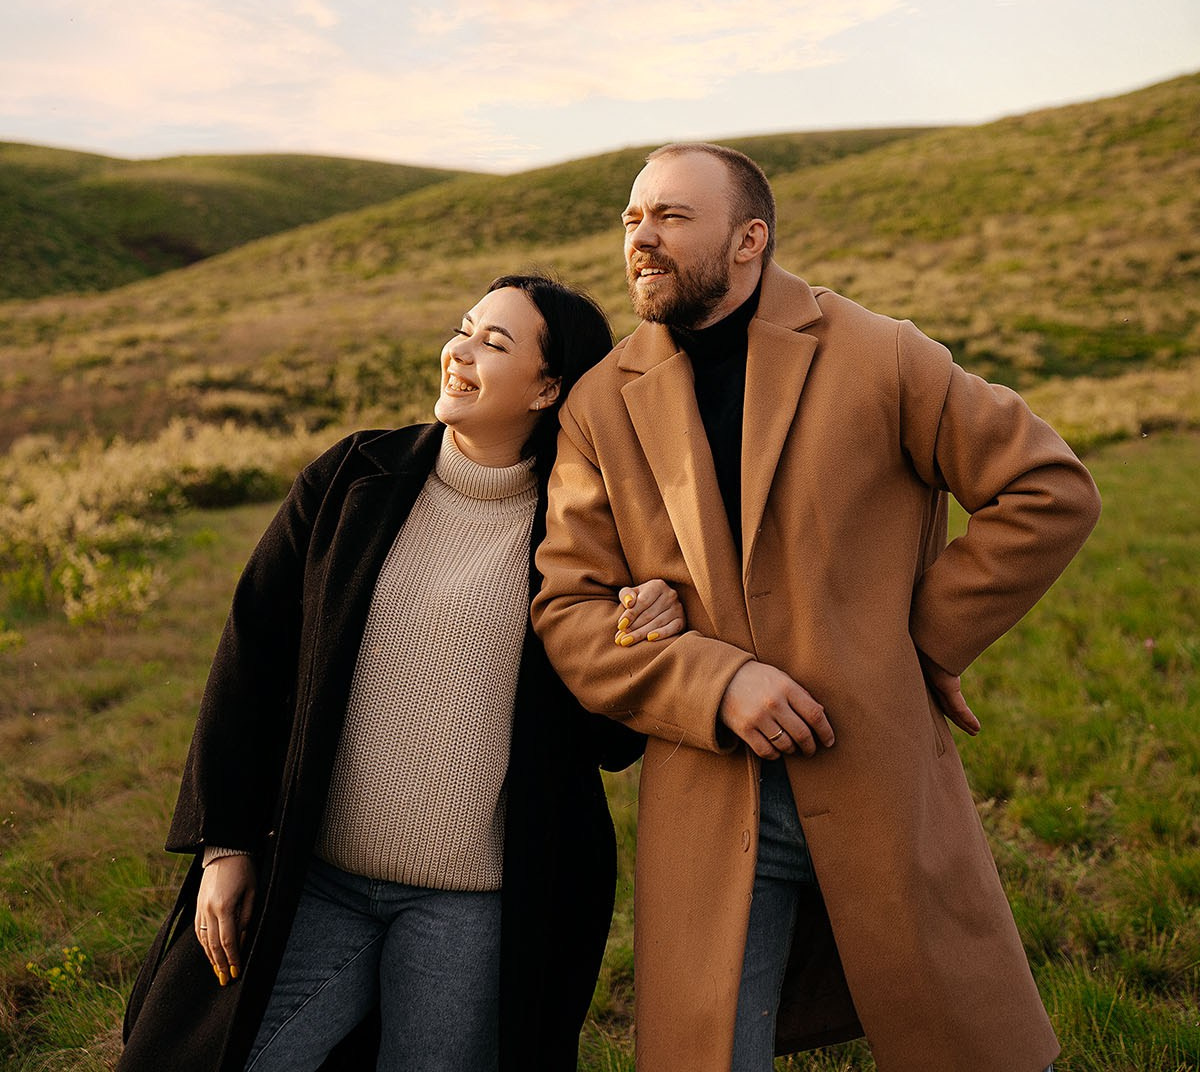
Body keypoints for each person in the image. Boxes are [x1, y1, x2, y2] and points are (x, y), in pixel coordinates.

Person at [532, 144, 1102, 1072]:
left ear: (749, 238)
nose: (641, 237)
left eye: (672, 216)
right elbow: (571, 609)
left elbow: (1048, 488)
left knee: (973, 1046)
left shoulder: (880, 352)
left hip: (878, 773)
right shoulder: (599, 404)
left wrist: (920, 644)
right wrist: (717, 685)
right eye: (633, 218)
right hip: (709, 800)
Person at [119, 272, 684, 1072]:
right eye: (463, 328)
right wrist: (224, 845)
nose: (460, 351)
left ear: (548, 388)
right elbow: (250, 659)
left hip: (474, 906)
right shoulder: (353, 477)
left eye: (495, 343)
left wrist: (645, 636)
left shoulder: (589, 533)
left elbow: (607, 743)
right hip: (314, 880)